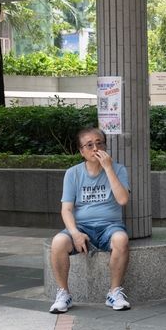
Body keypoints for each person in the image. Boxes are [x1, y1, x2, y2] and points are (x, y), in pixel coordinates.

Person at [48, 127, 131, 314]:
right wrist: (75, 233)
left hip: (110, 226)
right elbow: (66, 209)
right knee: (59, 241)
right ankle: (63, 294)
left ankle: (114, 293)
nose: (95, 148)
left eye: (99, 143)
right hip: (81, 227)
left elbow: (123, 200)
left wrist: (108, 168)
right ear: (81, 151)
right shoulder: (73, 173)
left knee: (121, 240)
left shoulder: (118, 169)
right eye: (89, 145)